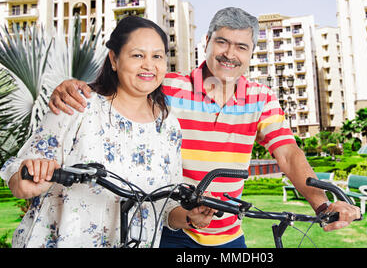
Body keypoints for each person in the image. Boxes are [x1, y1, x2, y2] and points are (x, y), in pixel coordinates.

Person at [48, 7, 361, 248]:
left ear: (251, 53)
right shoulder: (168, 86)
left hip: (228, 234)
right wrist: (73, 87)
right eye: (222, 41)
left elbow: (289, 154)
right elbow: (111, 93)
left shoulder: (262, 99)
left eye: (241, 46)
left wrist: (321, 205)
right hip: (169, 227)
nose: (230, 53)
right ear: (207, 42)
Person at [0, 16, 215, 248]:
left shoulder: (168, 126)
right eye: (137, 55)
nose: (149, 65)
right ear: (114, 59)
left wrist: (190, 217)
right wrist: (27, 178)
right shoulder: (77, 105)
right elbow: (17, 172)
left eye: (157, 56)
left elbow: (166, 208)